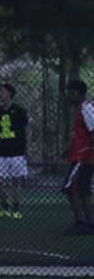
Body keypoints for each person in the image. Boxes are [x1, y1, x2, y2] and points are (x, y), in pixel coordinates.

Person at [0, 83, 28, 220]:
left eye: (3, 91)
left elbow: (26, 130)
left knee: (16, 181)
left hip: (17, 152)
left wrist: (27, 150)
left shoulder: (19, 111)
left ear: (10, 93)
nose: (0, 94)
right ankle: (4, 207)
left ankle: (16, 209)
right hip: (3, 153)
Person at [62, 79, 94, 235]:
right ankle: (89, 222)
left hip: (84, 156)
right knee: (83, 189)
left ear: (80, 94)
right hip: (79, 154)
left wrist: (90, 156)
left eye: (72, 93)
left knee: (70, 188)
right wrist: (69, 149)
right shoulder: (80, 109)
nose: (69, 96)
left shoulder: (86, 109)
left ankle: (81, 222)